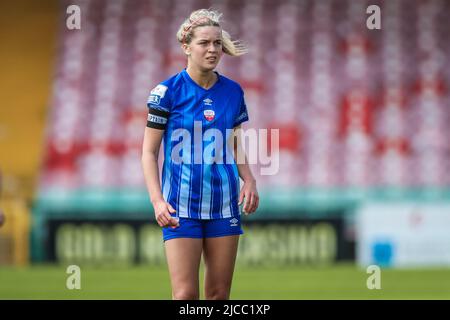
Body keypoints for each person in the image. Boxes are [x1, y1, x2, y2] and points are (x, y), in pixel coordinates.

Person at [141, 8, 259, 300]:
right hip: (180, 207)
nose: (212, 49)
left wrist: (250, 179)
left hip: (224, 205)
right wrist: (157, 201)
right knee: (184, 296)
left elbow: (233, 142)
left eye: (217, 43)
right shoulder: (166, 92)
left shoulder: (233, 91)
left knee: (219, 295)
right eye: (204, 42)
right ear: (186, 46)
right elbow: (148, 151)